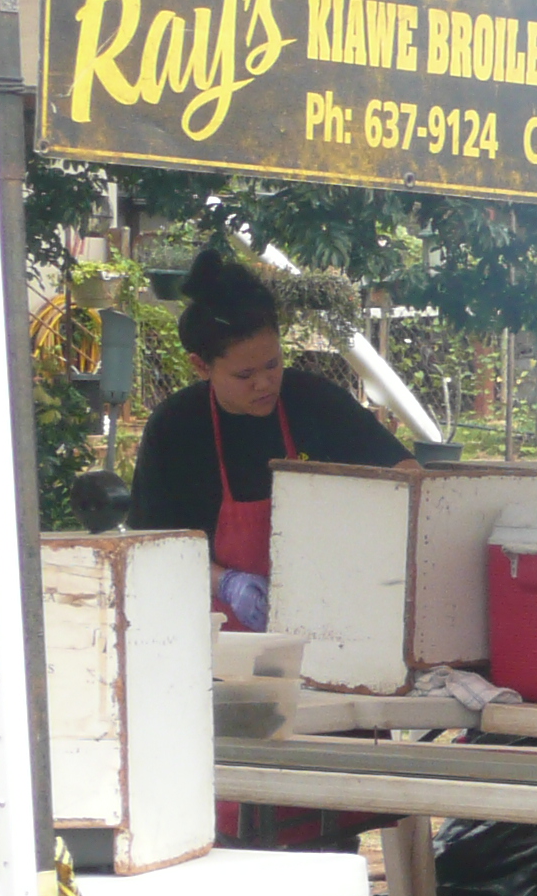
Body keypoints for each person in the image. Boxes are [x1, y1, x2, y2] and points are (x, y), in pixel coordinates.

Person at [127, 240, 413, 627]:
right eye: (244, 374)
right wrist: (226, 583)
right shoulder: (176, 427)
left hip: (327, 617)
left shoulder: (314, 401)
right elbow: (152, 546)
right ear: (201, 366)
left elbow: (407, 474)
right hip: (212, 630)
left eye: (272, 364)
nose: (264, 384)